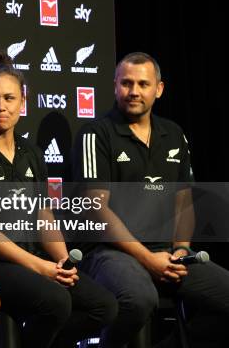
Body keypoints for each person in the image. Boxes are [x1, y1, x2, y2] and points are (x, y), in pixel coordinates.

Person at [0, 50, 117, 347]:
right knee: (56, 302)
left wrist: (62, 260)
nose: (1, 106)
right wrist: (39, 267)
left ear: (23, 102)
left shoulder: (33, 154)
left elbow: (43, 217)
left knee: (104, 306)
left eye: (9, 98)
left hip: (35, 258)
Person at [72, 52, 229, 347]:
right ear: (115, 86)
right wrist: (147, 259)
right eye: (126, 83)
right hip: (109, 252)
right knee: (139, 299)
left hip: (167, 252)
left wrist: (182, 249)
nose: (134, 91)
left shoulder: (174, 133)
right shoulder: (96, 133)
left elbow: (184, 201)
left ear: (158, 89)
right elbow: (96, 210)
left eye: (143, 84)